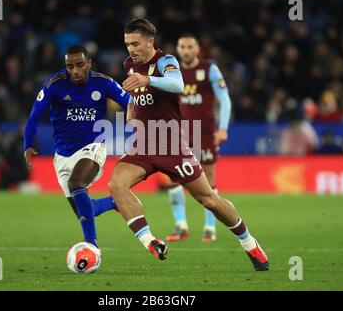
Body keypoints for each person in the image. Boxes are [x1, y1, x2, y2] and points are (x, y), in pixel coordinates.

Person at [108, 18, 269, 271]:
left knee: (209, 200)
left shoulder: (165, 61)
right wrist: (131, 108)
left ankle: (250, 244)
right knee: (116, 185)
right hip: (143, 146)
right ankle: (151, 242)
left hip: (173, 146)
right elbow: (133, 92)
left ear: (150, 41)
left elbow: (177, 85)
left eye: (135, 43)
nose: (130, 49)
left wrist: (147, 81)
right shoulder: (130, 64)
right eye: (127, 44)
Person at [24, 45, 131, 248]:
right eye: (69, 66)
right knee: (84, 209)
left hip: (93, 147)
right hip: (62, 155)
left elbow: (131, 104)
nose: (74, 71)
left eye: (80, 65)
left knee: (76, 184)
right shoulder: (54, 84)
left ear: (89, 63)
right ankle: (113, 202)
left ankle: (91, 246)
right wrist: (27, 145)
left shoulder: (104, 83)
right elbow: (33, 117)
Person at [165, 34, 232, 243]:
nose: (186, 50)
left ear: (197, 49)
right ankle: (181, 226)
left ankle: (210, 228)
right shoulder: (171, 72)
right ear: (177, 49)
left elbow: (224, 99)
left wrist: (223, 128)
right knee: (174, 179)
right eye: (182, 46)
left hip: (203, 133)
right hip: (178, 133)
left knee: (209, 180)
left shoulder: (208, 69)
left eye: (189, 46)